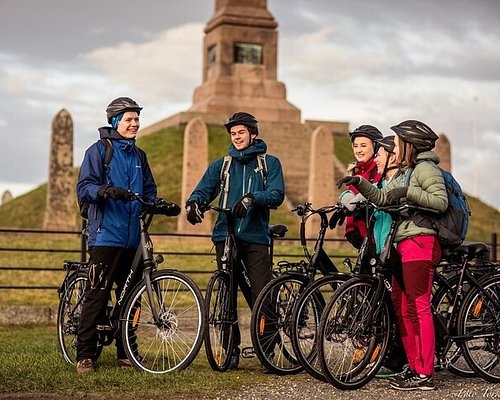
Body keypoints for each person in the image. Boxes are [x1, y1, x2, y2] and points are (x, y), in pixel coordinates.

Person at [336, 120, 448, 391]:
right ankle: (414, 366)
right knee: (402, 308)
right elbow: (383, 197)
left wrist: (408, 192)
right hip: (401, 245)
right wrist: (359, 183)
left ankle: (425, 374)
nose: (392, 147)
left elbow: (440, 201)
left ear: (409, 144)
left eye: (396, 142)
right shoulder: (406, 172)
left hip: (420, 243)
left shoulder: (426, 170)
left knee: (418, 306)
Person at [75, 97, 179, 374]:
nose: (134, 124)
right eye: (128, 119)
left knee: (132, 298)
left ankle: (127, 352)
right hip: (106, 235)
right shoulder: (99, 151)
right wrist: (104, 191)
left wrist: (159, 203)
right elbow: (84, 186)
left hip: (134, 236)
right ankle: (85, 355)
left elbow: (149, 190)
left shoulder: (139, 156)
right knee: (97, 294)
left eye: (136, 119)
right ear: (115, 122)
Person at [185, 112, 285, 370]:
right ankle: (229, 349)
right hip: (225, 236)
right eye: (233, 133)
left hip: (255, 238)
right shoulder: (223, 165)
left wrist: (253, 198)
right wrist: (194, 203)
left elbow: (276, 194)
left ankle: (267, 349)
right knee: (226, 295)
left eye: (241, 132)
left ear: (253, 133)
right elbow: (203, 189)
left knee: (261, 292)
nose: (237, 137)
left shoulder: (269, 163)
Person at [342, 125, 383, 249]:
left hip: (375, 235)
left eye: (363, 146)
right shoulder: (356, 170)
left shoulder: (380, 170)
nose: (358, 150)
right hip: (359, 234)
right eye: (355, 146)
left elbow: (380, 193)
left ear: (375, 147)